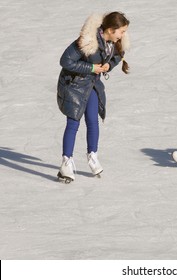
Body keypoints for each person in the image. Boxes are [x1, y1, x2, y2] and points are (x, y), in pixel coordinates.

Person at [56, 12, 130, 182]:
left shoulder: (114, 43)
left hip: (92, 85)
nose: (123, 35)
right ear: (111, 30)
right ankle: (66, 162)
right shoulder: (87, 41)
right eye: (122, 31)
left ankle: (93, 156)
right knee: (73, 122)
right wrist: (91, 68)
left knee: (92, 120)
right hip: (74, 86)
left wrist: (107, 65)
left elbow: (118, 56)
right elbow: (65, 61)